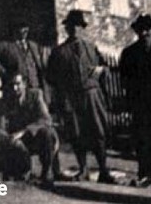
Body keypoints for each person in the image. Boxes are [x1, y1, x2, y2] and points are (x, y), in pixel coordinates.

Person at [46, 10, 114, 184]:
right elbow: (50, 77)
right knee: (77, 133)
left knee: (98, 132)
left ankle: (103, 170)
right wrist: (62, 97)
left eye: (78, 25)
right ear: (67, 28)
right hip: (72, 97)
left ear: (81, 28)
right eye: (71, 26)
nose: (75, 29)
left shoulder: (91, 47)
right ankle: (83, 169)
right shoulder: (59, 52)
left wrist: (101, 71)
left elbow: (104, 67)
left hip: (92, 95)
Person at [0, 73, 59, 185]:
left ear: (24, 84)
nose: (15, 88)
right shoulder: (3, 102)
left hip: (34, 137)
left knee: (47, 133)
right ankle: (17, 169)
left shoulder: (36, 95)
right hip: (16, 142)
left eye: (18, 84)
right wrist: (11, 139)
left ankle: (47, 170)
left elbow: (46, 120)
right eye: (12, 85)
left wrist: (24, 131)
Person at [119, 14, 151, 186]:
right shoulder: (129, 53)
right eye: (141, 30)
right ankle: (145, 174)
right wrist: (128, 104)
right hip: (140, 104)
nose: (144, 33)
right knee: (142, 139)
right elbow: (124, 80)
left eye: (148, 30)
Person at [0, 21, 46, 94]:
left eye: (27, 27)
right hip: (14, 92)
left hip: (34, 91)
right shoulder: (5, 46)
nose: (25, 30)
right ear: (15, 28)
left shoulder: (34, 46)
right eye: (22, 27)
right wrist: (5, 73)